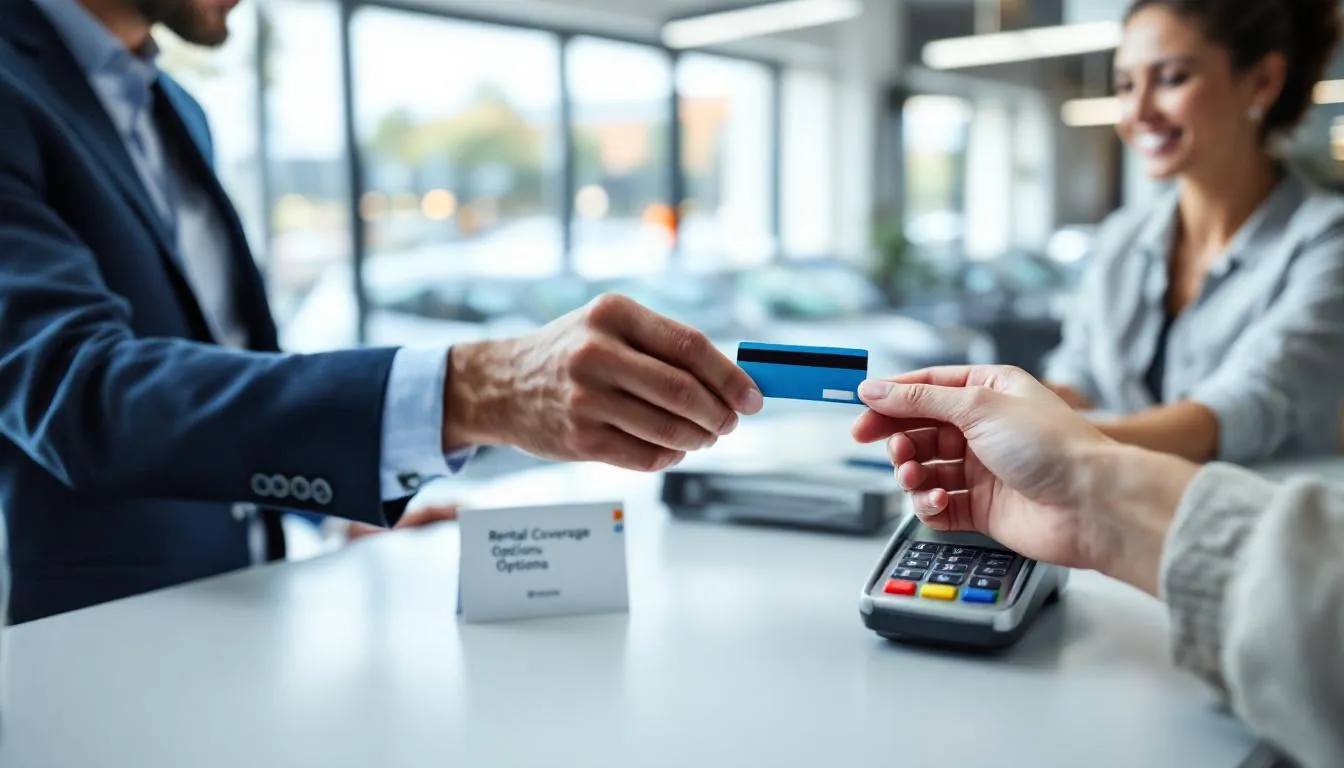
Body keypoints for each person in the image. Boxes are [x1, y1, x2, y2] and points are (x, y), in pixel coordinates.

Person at [0, 0, 764, 624]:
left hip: (240, 616)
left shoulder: (175, 109)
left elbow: (220, 364)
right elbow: (74, 387)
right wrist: (478, 389)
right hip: (82, 646)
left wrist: (333, 511)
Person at [853, 366, 1344, 768]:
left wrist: (1085, 457)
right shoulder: (1130, 246)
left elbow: (1255, 402)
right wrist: (1084, 472)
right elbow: (1075, 375)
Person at [1042, 0, 1344, 464]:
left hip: (1252, 530)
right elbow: (1079, 376)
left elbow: (1243, 410)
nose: (1138, 111)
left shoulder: (1326, 240)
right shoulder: (1123, 236)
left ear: (1261, 82)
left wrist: (1049, 439)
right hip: (1112, 527)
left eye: (1171, 79)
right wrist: (988, 406)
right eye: (1125, 85)